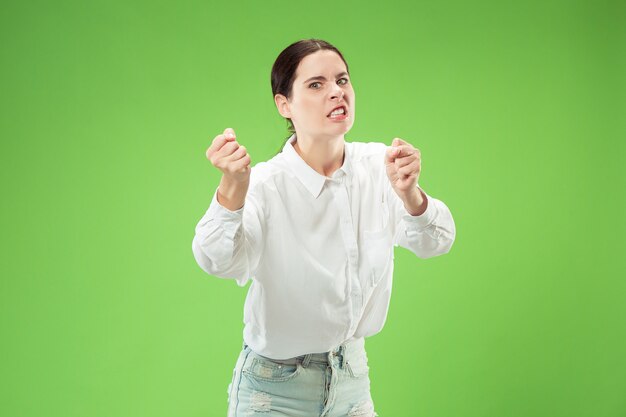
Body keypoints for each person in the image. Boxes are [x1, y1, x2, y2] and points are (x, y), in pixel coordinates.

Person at [192, 38, 456, 417]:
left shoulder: (379, 166)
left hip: (351, 378)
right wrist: (233, 187)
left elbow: (438, 241)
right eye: (316, 84)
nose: (336, 92)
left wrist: (411, 194)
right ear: (284, 104)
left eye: (342, 80)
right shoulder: (266, 185)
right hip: (274, 389)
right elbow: (216, 260)